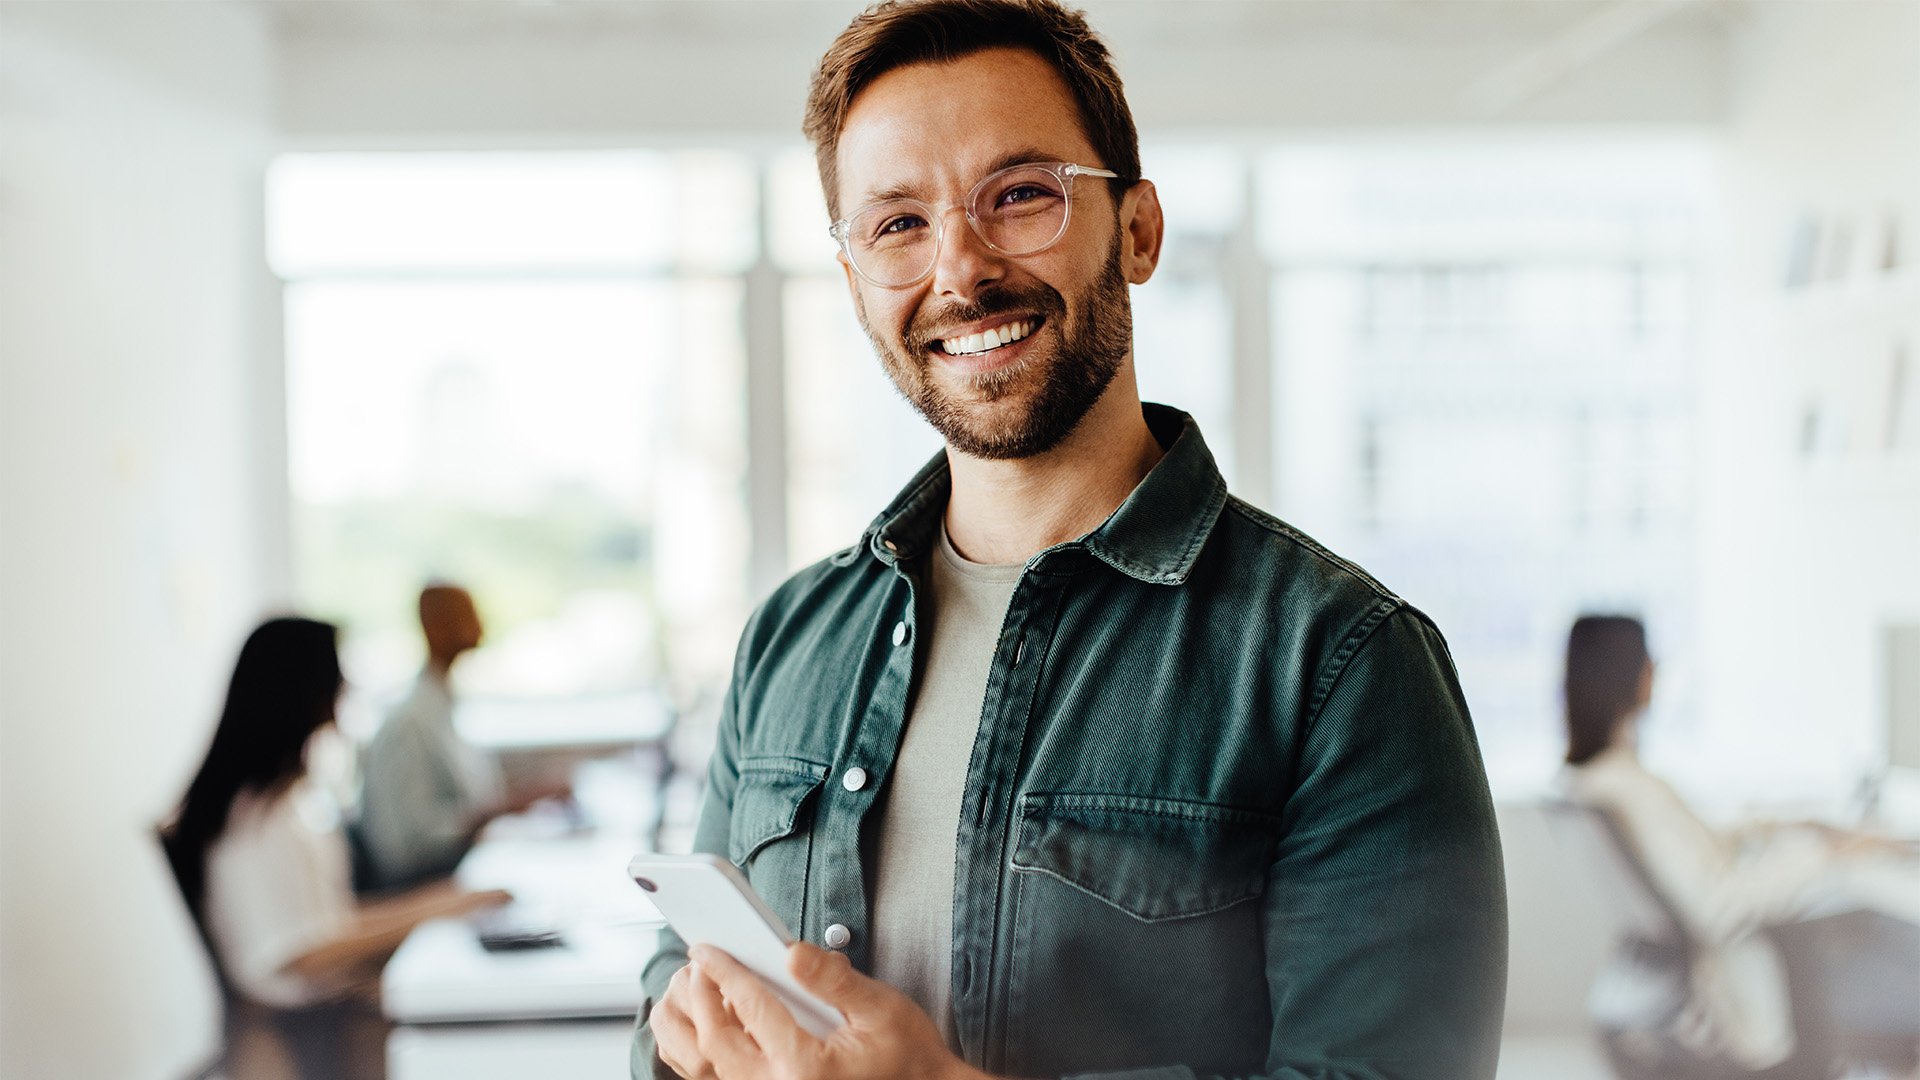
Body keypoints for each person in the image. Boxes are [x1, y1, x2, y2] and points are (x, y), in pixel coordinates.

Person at [632, 2, 1508, 1078]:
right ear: (853, 274)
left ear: (1136, 231)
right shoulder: (790, 638)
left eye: (1020, 196)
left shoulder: (1343, 664)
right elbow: (679, 980)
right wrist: (678, 1041)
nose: (959, 270)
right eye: (897, 224)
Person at [1559, 614, 1920, 1071]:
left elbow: (1698, 850)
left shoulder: (1594, 781)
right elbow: (1719, 901)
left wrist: (1793, 825)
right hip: (1742, 984)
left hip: (1697, 971)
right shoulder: (1630, 788)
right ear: (1633, 674)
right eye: (1649, 659)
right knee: (1887, 931)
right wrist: (1831, 854)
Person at [164, 617, 509, 1080]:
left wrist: (442, 901)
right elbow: (300, 953)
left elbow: (325, 923)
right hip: (309, 1024)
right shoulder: (261, 820)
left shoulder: (280, 803)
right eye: (336, 672)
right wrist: (428, 911)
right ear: (301, 687)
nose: (345, 685)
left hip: (318, 1009)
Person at [358, 583, 563, 888]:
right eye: (466, 615)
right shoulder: (409, 722)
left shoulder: (443, 705)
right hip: (426, 883)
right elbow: (408, 842)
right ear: (433, 626)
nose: (480, 624)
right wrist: (494, 812)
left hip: (456, 868)